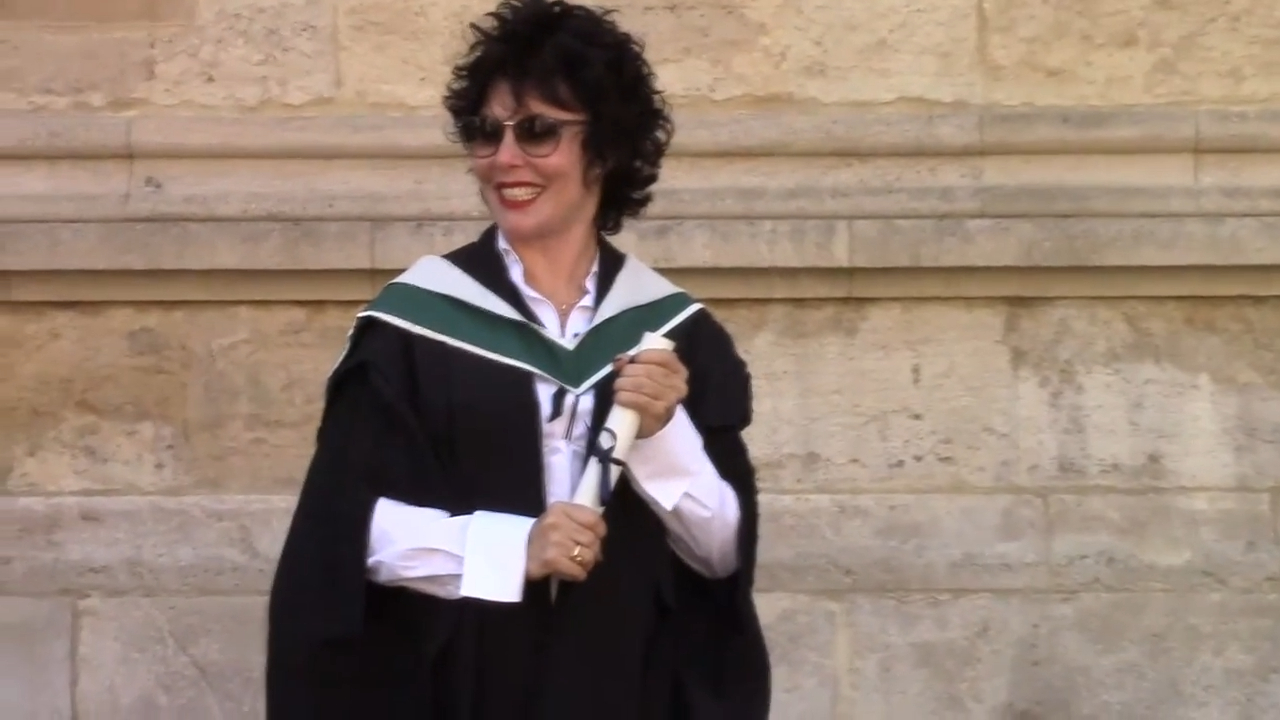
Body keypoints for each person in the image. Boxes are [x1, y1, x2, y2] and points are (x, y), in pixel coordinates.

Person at [264, 1, 770, 717]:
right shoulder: (414, 328)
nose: (504, 159)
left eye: (537, 131)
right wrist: (511, 548)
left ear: (607, 148)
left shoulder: (675, 334)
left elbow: (720, 559)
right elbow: (342, 537)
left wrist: (663, 436)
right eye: (485, 133)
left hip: (624, 687)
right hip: (459, 690)